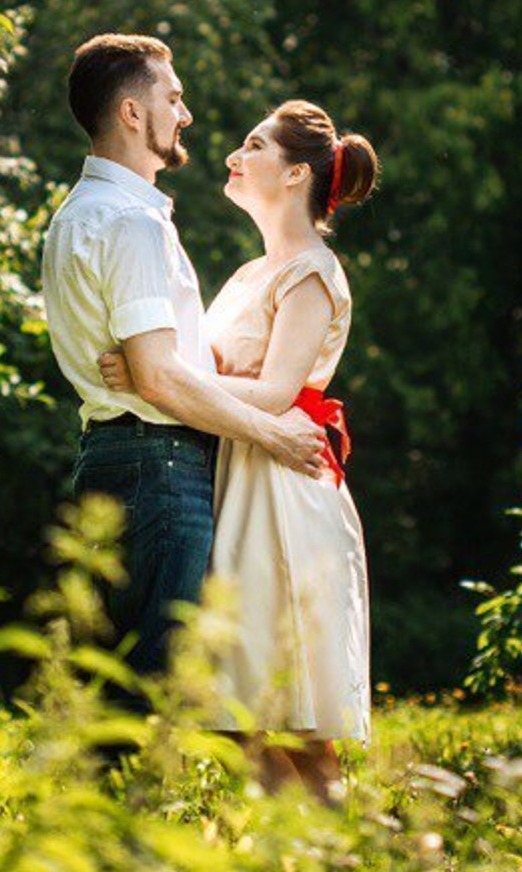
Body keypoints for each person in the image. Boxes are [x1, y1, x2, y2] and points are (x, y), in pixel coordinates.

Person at [100, 99, 377, 800]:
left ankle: (337, 850)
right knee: (237, 713)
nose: (232, 156)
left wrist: (156, 377)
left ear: (293, 176)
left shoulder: (311, 270)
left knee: (286, 723)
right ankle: (312, 848)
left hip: (284, 490)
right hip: (240, 476)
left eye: (253, 145)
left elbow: (281, 392)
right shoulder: (253, 273)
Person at [40, 34, 327, 689]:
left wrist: (156, 374)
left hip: (108, 459)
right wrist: (274, 433)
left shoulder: (76, 214)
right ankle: (131, 796)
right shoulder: (130, 221)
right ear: (133, 115)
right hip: (158, 470)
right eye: (173, 97)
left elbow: (159, 371)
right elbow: (161, 377)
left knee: (102, 676)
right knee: (151, 680)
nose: (186, 113)